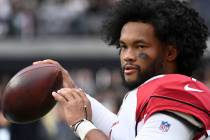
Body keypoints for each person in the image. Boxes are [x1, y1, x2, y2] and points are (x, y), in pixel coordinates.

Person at [33, 0, 210, 139]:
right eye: (123, 46)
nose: (127, 56)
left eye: (140, 46)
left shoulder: (175, 91)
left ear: (170, 53)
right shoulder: (148, 93)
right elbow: (116, 133)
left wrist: (81, 124)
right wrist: (72, 91)